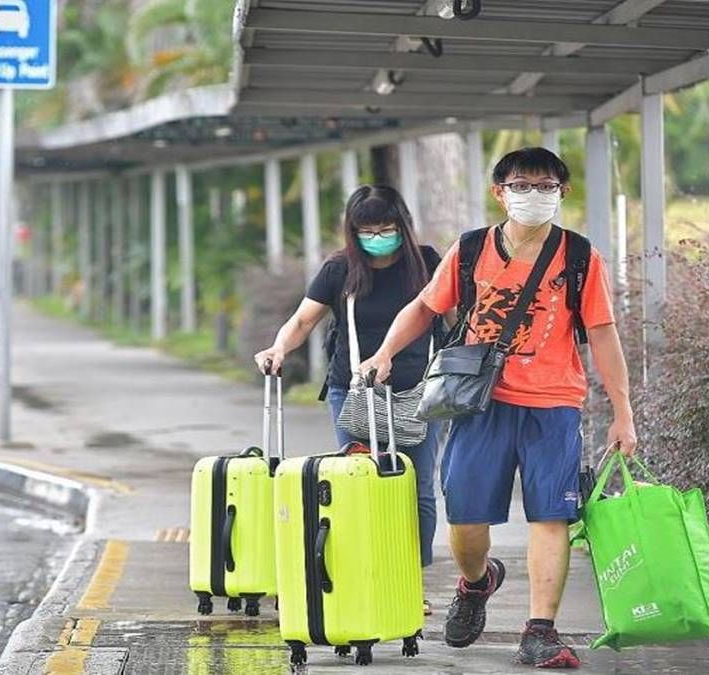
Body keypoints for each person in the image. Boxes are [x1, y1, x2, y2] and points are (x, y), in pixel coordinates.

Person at [359, 148, 638, 669]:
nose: (534, 195)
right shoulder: (469, 252)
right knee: (464, 518)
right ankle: (476, 582)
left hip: (554, 404)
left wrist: (623, 412)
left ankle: (540, 632)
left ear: (563, 192)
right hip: (477, 401)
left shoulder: (579, 257)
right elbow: (424, 307)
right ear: (499, 192)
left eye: (545, 186)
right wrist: (384, 353)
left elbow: (602, 333)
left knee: (552, 515)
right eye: (522, 185)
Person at [254, 185, 445, 613]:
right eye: (367, 230)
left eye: (387, 228)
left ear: (403, 226)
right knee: (358, 482)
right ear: (353, 232)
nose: (378, 237)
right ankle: (366, 574)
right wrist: (279, 349)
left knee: (416, 487)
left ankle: (410, 578)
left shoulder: (428, 263)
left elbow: (457, 313)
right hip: (352, 389)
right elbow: (303, 319)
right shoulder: (340, 269)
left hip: (419, 390)